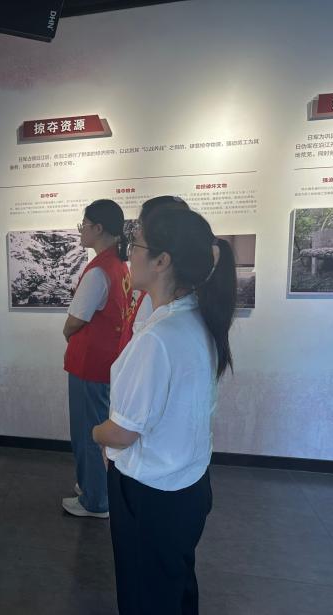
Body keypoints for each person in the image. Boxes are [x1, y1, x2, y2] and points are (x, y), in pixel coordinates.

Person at [92, 208, 237, 614]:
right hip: (187, 485)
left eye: (135, 244)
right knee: (173, 588)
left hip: (150, 495)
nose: (128, 253)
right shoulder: (197, 318)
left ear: (162, 261)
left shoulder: (158, 338)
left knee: (145, 598)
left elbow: (123, 432)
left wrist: (95, 433)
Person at [62, 199, 132, 519]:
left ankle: (95, 500)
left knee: (87, 432)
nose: (82, 231)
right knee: (94, 427)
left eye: (85, 225)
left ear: (99, 228)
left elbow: (74, 321)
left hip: (90, 365)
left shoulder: (99, 271)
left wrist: (67, 332)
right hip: (106, 361)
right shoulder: (119, 266)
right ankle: (93, 487)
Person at [118, 195, 189, 352]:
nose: (130, 256)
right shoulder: (171, 301)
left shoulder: (157, 333)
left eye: (136, 245)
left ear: (161, 261)